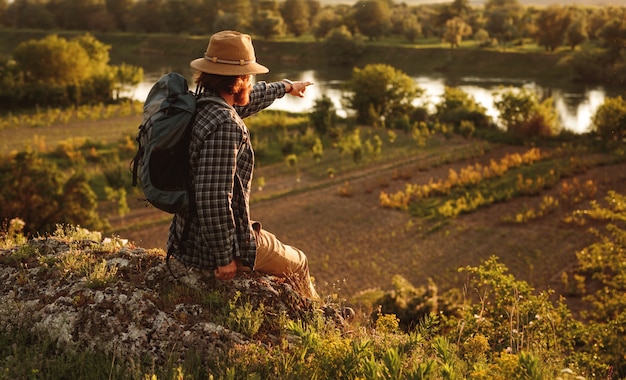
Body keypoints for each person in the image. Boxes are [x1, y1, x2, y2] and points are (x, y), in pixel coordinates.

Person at [166, 30, 319, 301]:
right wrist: (225, 257)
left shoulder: (200, 104)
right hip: (210, 248)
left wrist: (285, 87)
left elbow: (249, 100)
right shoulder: (225, 125)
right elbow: (213, 197)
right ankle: (318, 318)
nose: (252, 82)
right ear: (240, 80)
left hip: (185, 235)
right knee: (299, 262)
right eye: (250, 77)